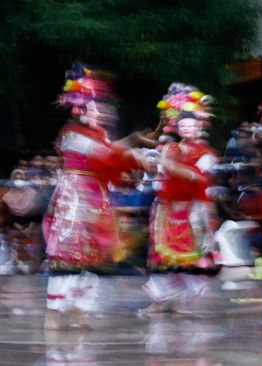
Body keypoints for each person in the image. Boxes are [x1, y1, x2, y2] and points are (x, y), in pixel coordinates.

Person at [42, 63, 144, 330]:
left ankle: (78, 308)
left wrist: (134, 144)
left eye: (100, 107)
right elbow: (106, 155)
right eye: (94, 107)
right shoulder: (71, 134)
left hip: (95, 196)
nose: (101, 112)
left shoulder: (98, 134)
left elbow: (110, 150)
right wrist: (134, 146)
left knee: (93, 256)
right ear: (79, 109)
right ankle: (53, 311)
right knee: (69, 254)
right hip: (75, 197)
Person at [141, 83, 219, 314]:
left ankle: (184, 300)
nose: (186, 128)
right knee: (163, 256)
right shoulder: (168, 149)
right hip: (167, 207)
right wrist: (150, 163)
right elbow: (156, 175)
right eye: (183, 124)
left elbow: (197, 177)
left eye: (191, 125)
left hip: (193, 210)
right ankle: (160, 300)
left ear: (199, 127)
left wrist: (168, 165)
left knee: (191, 258)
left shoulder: (207, 154)